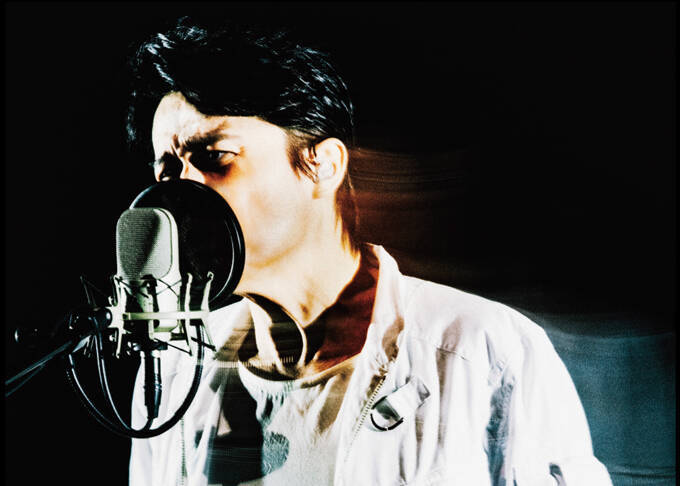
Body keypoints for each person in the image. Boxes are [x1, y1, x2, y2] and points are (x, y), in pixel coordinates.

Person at [127, 17, 612, 486]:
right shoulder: (172, 372)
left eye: (215, 157)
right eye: (166, 168)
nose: (180, 191)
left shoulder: (482, 352)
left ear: (322, 165)